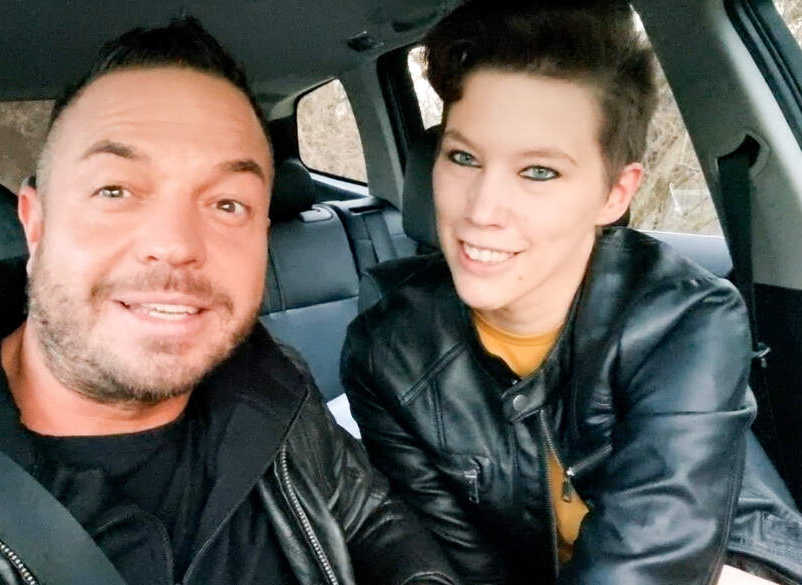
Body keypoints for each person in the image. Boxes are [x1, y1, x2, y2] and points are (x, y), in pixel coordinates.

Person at [0, 17, 458, 585]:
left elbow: (371, 521)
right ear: (36, 226)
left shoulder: (274, 382)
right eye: (115, 190)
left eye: (228, 204)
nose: (176, 244)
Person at [341, 2, 802, 584]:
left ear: (614, 194)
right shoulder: (386, 352)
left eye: (539, 171)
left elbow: (654, 565)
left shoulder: (684, 318)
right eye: (463, 157)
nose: (481, 210)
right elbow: (466, 568)